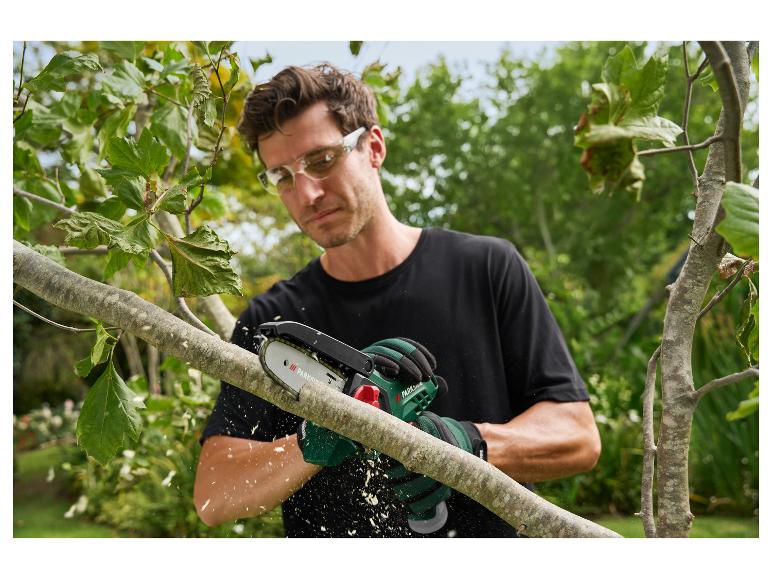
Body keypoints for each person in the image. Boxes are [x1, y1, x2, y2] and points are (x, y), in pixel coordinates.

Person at [194, 63, 601, 537]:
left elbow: (576, 436)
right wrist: (313, 441)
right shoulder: (274, 322)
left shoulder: (485, 268)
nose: (306, 193)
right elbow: (213, 493)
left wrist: (464, 444)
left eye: (322, 160)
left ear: (374, 147)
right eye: (282, 176)